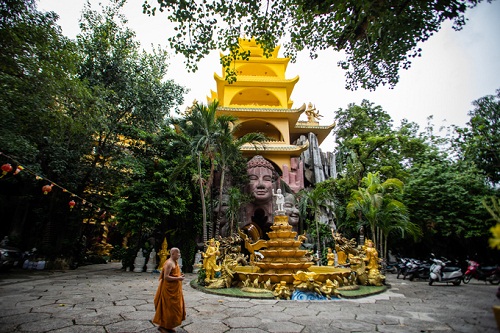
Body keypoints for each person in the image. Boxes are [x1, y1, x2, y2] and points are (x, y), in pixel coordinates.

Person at [153, 247, 186, 333]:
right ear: (173, 254)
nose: (179, 255)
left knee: (174, 308)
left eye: (179, 253)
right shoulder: (169, 263)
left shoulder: (175, 262)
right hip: (168, 290)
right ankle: (163, 326)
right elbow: (166, 277)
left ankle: (168, 326)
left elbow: (174, 273)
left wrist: (179, 275)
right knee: (168, 308)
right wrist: (178, 278)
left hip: (175, 289)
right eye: (178, 253)